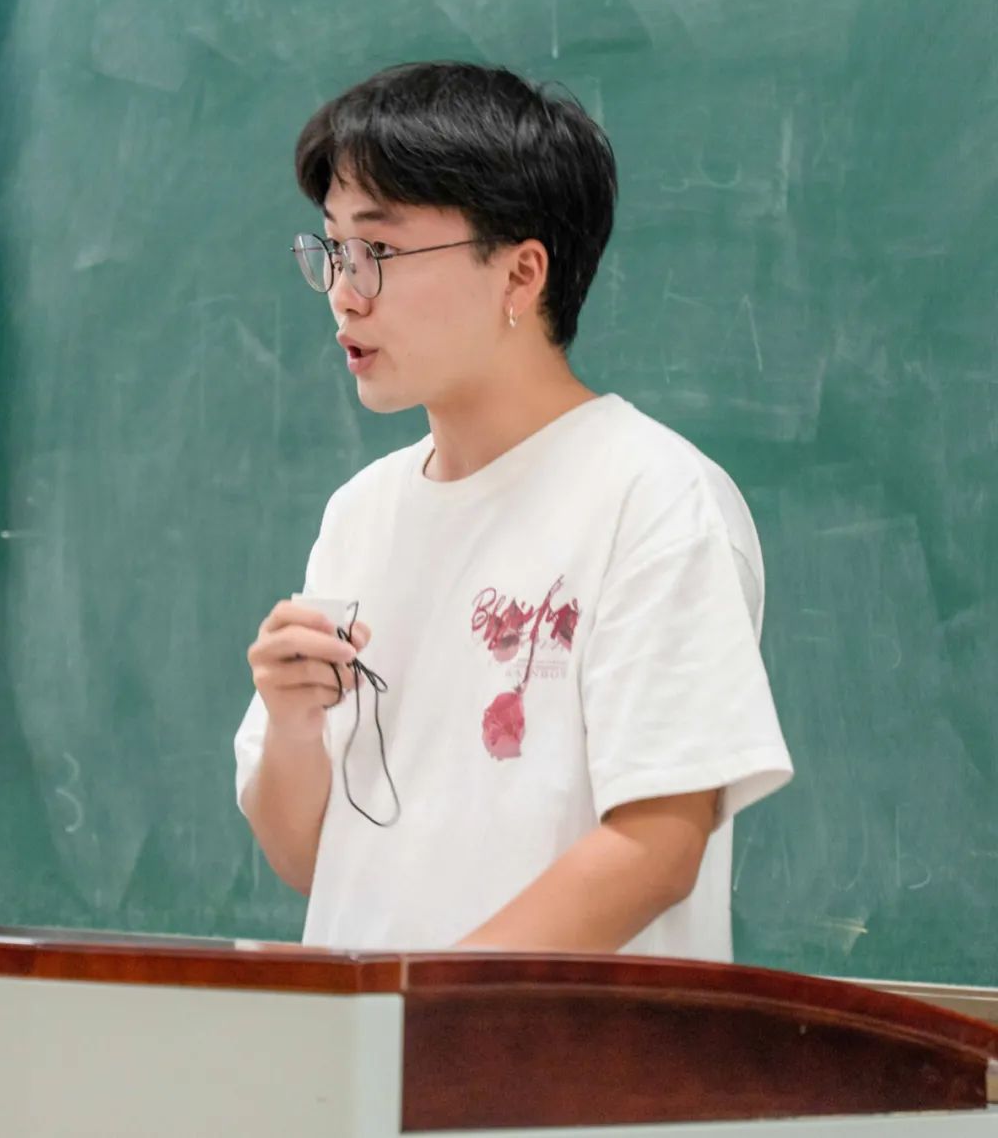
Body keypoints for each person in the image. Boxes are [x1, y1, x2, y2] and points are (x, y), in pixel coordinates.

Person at [234, 61, 792, 957]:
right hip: (365, 1041)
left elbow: (655, 848)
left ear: (521, 274)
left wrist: (423, 1010)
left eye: (378, 251)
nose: (343, 290)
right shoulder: (360, 513)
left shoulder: (651, 495)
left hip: (539, 1048)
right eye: (332, 249)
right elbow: (310, 859)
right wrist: (293, 724)